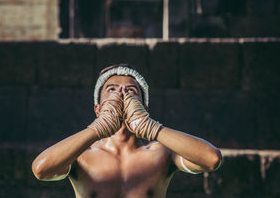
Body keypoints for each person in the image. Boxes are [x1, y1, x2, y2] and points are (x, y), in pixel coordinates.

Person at [32, 64, 222, 198]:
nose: (122, 95)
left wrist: (150, 127)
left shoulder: (161, 152)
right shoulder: (81, 154)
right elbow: (41, 169)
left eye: (131, 91)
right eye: (112, 90)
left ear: (144, 107)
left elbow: (211, 159)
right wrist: (97, 128)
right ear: (98, 108)